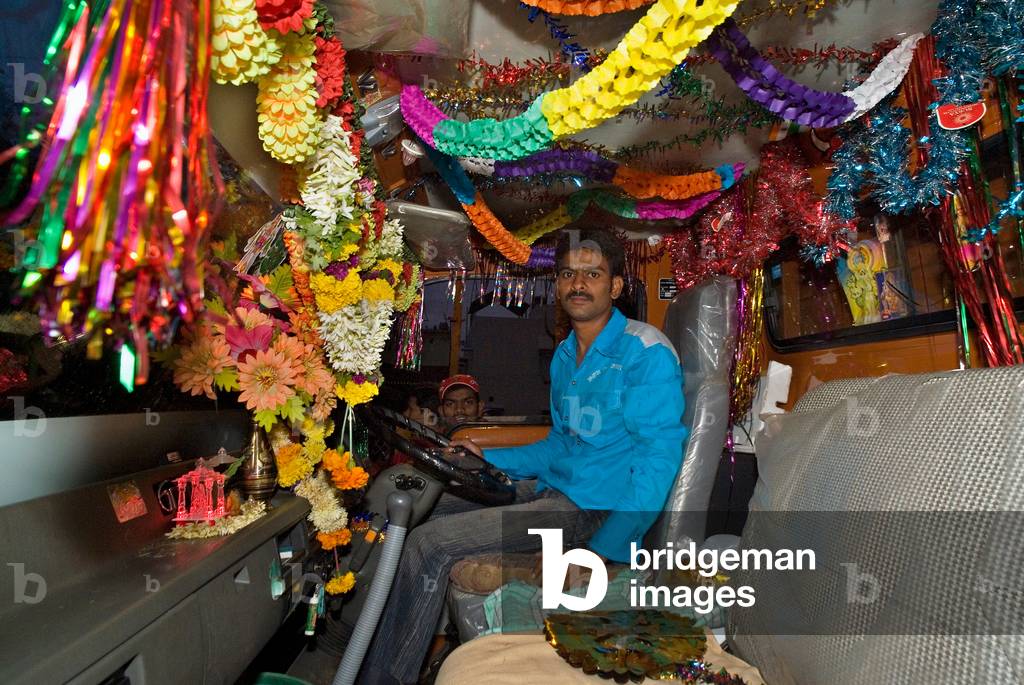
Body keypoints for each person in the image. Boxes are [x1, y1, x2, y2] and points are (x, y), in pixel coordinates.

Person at [360, 228, 687, 685]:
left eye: (592, 274)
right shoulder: (566, 355)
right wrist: (486, 457)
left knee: (429, 544)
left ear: (615, 287)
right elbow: (559, 444)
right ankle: (359, 639)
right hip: (551, 490)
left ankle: (384, 678)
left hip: (592, 510)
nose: (578, 284)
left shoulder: (644, 351)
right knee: (420, 504)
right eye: (568, 274)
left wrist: (601, 551)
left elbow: (658, 460)